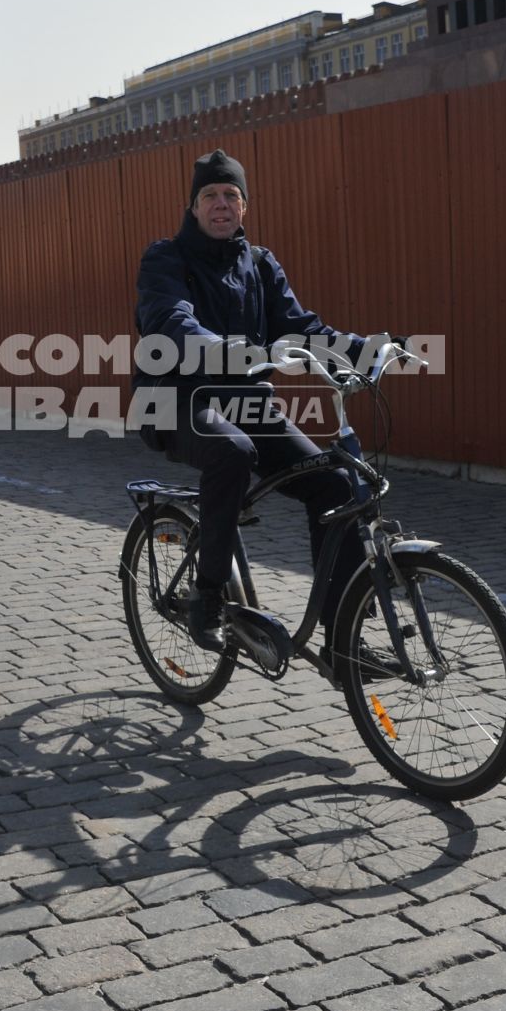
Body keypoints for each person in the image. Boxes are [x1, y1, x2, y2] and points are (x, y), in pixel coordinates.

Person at [133, 149, 367, 652]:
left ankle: (342, 634)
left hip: (246, 402)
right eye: (211, 195)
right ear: (193, 206)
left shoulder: (259, 264)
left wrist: (361, 350)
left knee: (336, 485)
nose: (221, 204)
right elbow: (171, 320)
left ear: (245, 207)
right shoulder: (164, 258)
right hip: (175, 402)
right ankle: (208, 596)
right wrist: (221, 349)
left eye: (231, 196)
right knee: (232, 451)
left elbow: (303, 329)